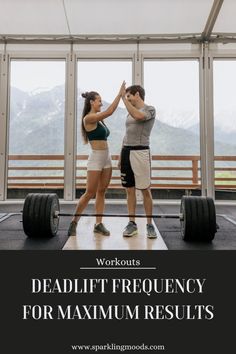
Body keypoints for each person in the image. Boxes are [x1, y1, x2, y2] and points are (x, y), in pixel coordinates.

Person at [67, 81, 126, 236]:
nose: (101, 103)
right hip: (95, 159)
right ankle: (74, 222)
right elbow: (110, 111)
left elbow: (106, 115)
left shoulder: (99, 119)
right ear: (92, 102)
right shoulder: (88, 118)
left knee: (102, 191)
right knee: (89, 192)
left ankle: (98, 224)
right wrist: (120, 95)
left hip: (106, 158)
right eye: (99, 100)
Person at [119, 84, 157, 238]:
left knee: (145, 190)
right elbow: (126, 134)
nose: (127, 99)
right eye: (126, 96)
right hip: (126, 151)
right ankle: (132, 223)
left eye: (129, 96)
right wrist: (121, 156)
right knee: (129, 190)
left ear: (137, 95)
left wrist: (123, 99)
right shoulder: (129, 113)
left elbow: (139, 117)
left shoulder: (150, 109)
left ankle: (149, 225)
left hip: (141, 152)